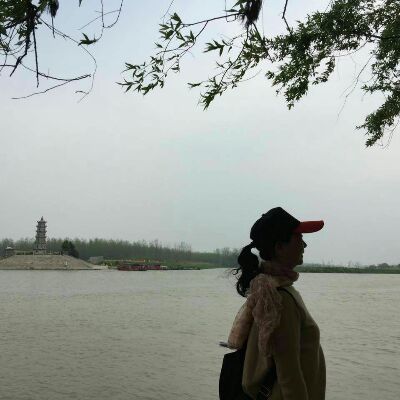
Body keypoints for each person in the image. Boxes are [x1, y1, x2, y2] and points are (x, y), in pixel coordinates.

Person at [227, 207, 326, 400]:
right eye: (299, 238)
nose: (305, 245)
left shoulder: (271, 289)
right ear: (280, 247)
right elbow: (289, 376)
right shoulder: (279, 298)